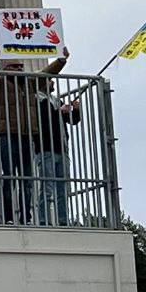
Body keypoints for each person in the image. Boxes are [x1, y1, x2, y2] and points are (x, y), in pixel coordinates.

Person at [0, 44, 70, 224]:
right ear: (6, 69)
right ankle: (8, 217)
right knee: (9, 178)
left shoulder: (30, 84)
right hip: (8, 135)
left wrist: (61, 61)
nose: (20, 69)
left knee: (27, 180)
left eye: (21, 67)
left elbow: (47, 72)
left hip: (27, 136)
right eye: (15, 67)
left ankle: (25, 218)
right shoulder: (0, 84)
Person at [34, 74, 82, 226]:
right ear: (43, 82)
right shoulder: (37, 99)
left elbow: (72, 120)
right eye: (50, 80)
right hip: (46, 148)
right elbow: (44, 119)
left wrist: (75, 110)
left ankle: (63, 220)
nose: (53, 82)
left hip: (62, 149)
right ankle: (44, 220)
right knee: (47, 187)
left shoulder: (55, 100)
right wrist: (59, 111)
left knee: (63, 188)